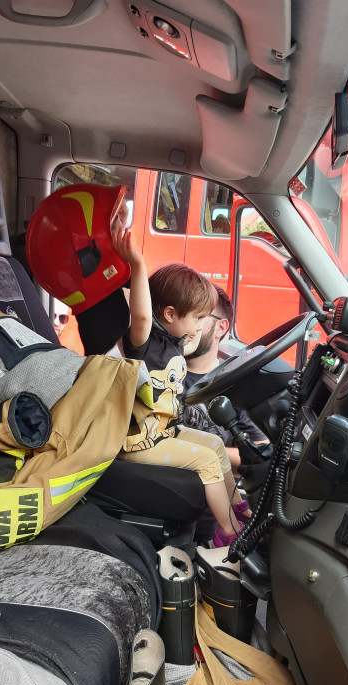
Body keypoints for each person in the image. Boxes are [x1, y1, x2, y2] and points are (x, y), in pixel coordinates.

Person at [112, 225, 251, 548]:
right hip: (139, 443)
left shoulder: (176, 344)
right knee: (205, 461)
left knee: (215, 445)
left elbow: (186, 337)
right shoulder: (145, 343)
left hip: (162, 432)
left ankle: (239, 511)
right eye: (198, 317)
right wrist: (136, 264)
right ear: (171, 314)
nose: (202, 325)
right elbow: (143, 316)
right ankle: (231, 534)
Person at [183, 284, 268, 473]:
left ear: (220, 327)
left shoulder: (234, 383)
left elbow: (260, 450)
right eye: (183, 313)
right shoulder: (158, 371)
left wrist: (201, 450)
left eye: (198, 316)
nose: (187, 324)